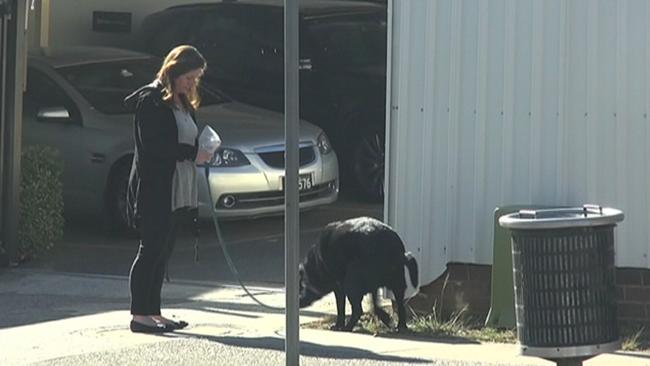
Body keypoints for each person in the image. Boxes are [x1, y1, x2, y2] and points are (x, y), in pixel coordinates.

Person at [124, 45, 212, 333]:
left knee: (163, 251)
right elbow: (154, 146)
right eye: (188, 78)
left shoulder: (182, 102)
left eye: (196, 78)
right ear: (173, 72)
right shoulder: (151, 101)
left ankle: (154, 312)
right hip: (156, 187)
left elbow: (184, 139)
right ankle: (140, 314)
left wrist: (203, 150)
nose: (192, 84)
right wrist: (190, 153)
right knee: (150, 249)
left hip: (178, 188)